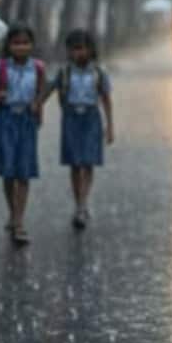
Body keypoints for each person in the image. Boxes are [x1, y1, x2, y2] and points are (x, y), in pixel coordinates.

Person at [37, 29, 115, 230]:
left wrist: (110, 126)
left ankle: (83, 203)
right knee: (74, 163)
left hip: (91, 118)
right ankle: (78, 201)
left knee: (88, 162)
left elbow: (106, 99)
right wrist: (36, 105)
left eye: (81, 48)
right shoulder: (64, 73)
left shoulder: (98, 73)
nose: (77, 53)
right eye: (73, 49)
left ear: (90, 49)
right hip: (71, 119)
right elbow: (49, 90)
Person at [0, 24, 46, 245]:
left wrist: (38, 104)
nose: (21, 47)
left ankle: (19, 221)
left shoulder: (38, 67)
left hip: (26, 121)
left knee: (24, 171)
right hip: (4, 119)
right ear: (9, 45)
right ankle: (12, 211)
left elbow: (42, 91)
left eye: (25, 43)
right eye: (16, 43)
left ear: (32, 45)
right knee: (8, 171)